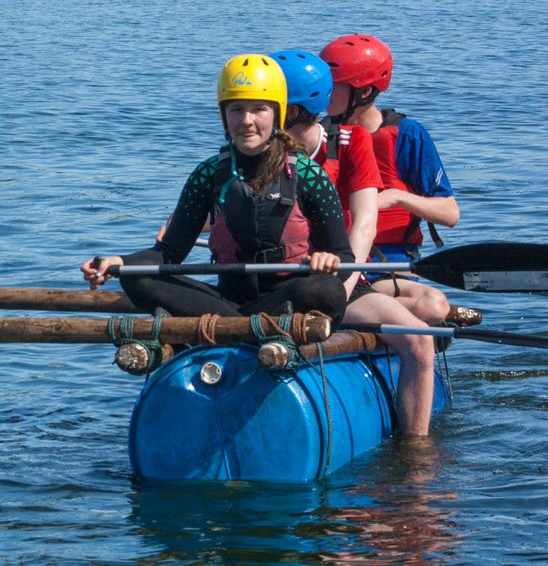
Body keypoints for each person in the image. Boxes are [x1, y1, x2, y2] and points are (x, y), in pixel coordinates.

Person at [81, 54, 352, 325]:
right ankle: (246, 328)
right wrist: (120, 261)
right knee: (136, 276)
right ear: (224, 115)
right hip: (226, 298)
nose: (246, 120)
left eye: (258, 109)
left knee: (327, 289)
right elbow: (168, 254)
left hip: (288, 296)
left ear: (278, 113)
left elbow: (343, 256)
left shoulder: (308, 174)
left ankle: (232, 329)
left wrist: (328, 261)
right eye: (236, 109)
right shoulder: (208, 174)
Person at [274, 49, 436, 436]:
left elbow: (364, 224)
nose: (254, 120)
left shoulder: (350, 141)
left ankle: (415, 455)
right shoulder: (248, 151)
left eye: (269, 109)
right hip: (273, 282)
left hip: (337, 279)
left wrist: (339, 291)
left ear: (296, 109)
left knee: (420, 340)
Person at [320, 34, 459, 325]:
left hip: (390, 264)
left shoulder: (407, 135)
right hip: (334, 261)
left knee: (433, 305)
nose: (323, 93)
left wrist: (396, 197)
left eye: (333, 86)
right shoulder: (317, 134)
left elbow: (449, 214)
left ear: (365, 92)